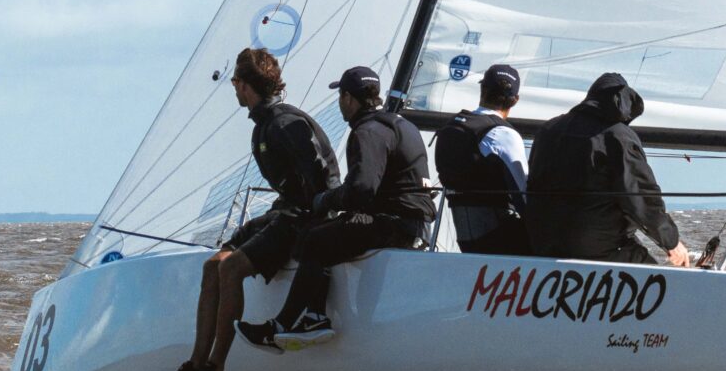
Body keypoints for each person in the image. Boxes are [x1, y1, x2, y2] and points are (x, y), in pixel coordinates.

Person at [153, 47, 340, 371]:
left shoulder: (284, 123)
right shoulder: (265, 123)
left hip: (303, 218)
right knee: (213, 264)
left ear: (243, 84)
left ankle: (215, 370)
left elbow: (321, 177)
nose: (234, 89)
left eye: (234, 82)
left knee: (231, 268)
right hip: (284, 211)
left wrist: (313, 224)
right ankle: (195, 364)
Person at [235, 65, 435, 350]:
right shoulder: (401, 124)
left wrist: (325, 200)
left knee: (314, 238)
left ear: (348, 98)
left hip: (395, 223)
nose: (340, 103)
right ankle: (314, 316)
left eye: (340, 96)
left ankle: (284, 325)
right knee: (321, 234)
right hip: (415, 222)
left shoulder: (367, 131)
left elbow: (362, 189)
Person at [525, 72, 690, 267]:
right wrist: (671, 242)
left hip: (542, 244)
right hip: (596, 248)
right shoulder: (618, 137)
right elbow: (640, 196)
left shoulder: (547, 130)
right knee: (657, 277)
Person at [434, 64, 530, 255]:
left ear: (483, 89)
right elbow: (524, 196)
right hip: (500, 239)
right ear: (515, 100)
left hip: (465, 239)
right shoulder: (502, 133)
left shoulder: (453, 124)